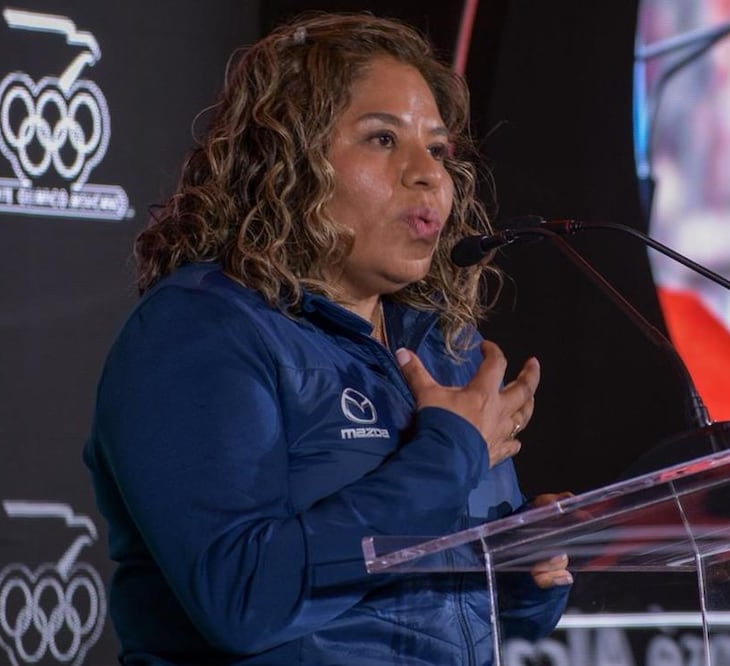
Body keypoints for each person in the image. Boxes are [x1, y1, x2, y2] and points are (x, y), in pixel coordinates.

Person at [83, 13, 571, 664]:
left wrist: (524, 571)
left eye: (438, 148)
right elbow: (243, 599)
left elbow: (452, 614)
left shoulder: (441, 348)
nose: (426, 173)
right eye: (381, 139)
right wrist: (449, 453)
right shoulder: (202, 331)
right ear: (288, 160)